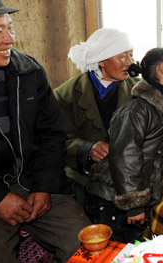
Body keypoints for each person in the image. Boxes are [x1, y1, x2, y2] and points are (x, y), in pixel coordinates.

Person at [0, 0, 91, 262]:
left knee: (89, 246)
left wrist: (44, 186)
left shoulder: (28, 71)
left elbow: (51, 134)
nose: (9, 40)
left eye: (11, 28)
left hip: (35, 182)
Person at [87, 47, 163, 243]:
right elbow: (126, 157)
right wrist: (134, 205)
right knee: (114, 253)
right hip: (111, 201)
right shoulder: (138, 110)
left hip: (129, 199)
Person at [53, 28, 138, 206]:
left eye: (131, 55)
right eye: (122, 56)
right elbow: (56, 139)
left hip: (129, 182)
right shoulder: (66, 94)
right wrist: (86, 148)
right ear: (101, 61)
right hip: (82, 182)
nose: (130, 62)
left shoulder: (139, 92)